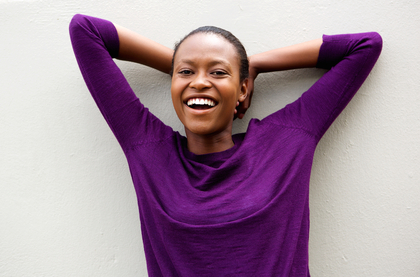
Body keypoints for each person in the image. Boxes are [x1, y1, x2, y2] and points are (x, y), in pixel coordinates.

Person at [69, 14, 382, 276]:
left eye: (218, 72)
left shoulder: (287, 141)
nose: (200, 82)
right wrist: (191, 68)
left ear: (244, 90)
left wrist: (251, 65)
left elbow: (364, 46)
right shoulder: (148, 150)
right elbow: (86, 30)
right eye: (186, 72)